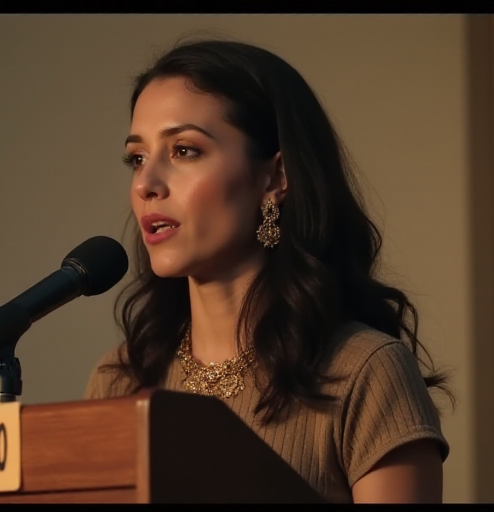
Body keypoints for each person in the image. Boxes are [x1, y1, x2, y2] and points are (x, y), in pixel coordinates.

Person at [84, 39, 452, 504]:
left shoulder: (366, 371)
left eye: (184, 151)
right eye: (137, 158)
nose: (145, 184)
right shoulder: (119, 379)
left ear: (275, 177)